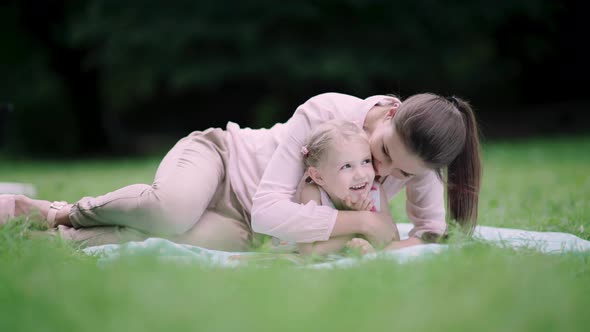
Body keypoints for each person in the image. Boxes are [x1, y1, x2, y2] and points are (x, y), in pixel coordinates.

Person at [0, 92, 481, 252]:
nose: (383, 171)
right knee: (172, 210)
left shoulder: (418, 159)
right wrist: (361, 222)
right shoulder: (329, 112)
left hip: (244, 224)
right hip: (221, 160)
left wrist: (404, 241)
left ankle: (38, 231)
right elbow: (273, 209)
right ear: (391, 112)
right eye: (382, 152)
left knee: (159, 242)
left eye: (402, 171)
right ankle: (64, 212)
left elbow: (431, 233)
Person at [285, 119, 399, 255]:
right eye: (346, 166)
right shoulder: (313, 193)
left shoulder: (375, 191)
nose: (361, 175)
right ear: (318, 176)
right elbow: (307, 251)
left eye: (366, 161)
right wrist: (359, 229)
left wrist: (369, 247)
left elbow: (392, 237)